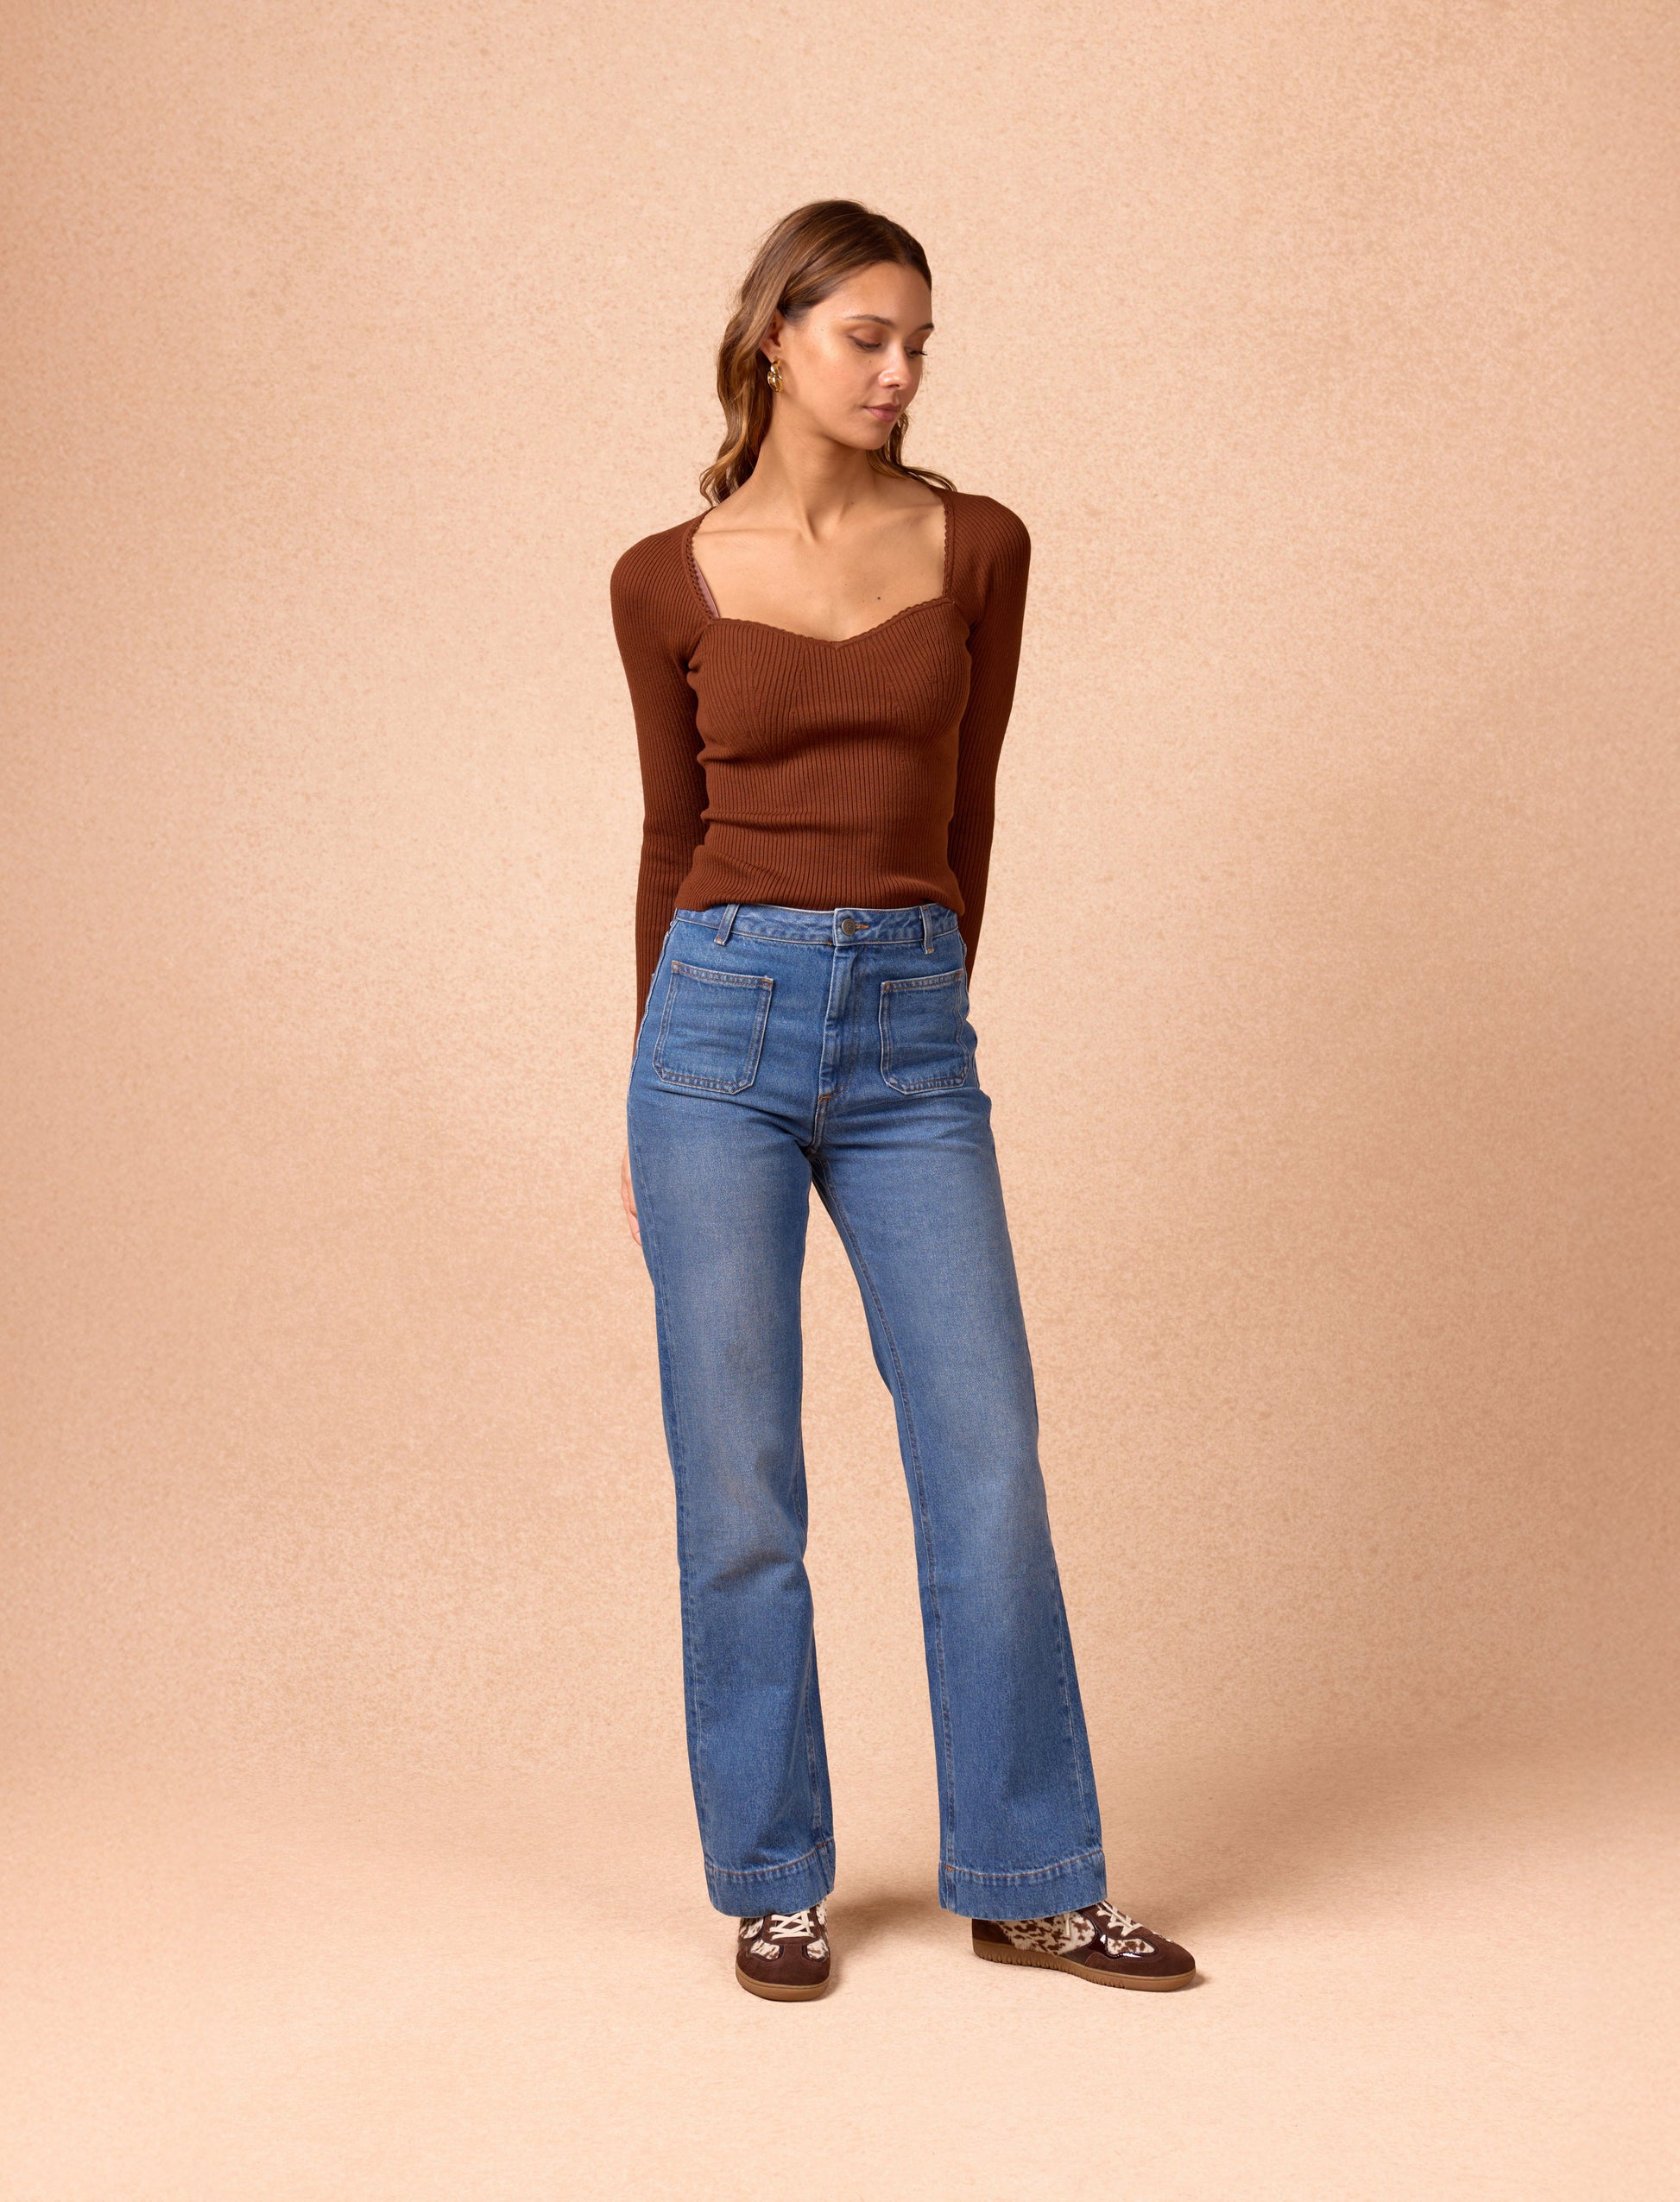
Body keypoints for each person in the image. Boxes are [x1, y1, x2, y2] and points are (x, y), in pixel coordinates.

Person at [611, 199, 1197, 2002]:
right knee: (739, 1481)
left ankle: (1030, 1880)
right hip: (711, 1032)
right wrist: (642, 1086)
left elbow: (970, 807)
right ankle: (772, 1878)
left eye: (918, 343)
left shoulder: (978, 544)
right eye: (865, 336)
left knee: (985, 1453)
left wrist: (926, 996)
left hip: (908, 1038)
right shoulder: (662, 576)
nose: (898, 372)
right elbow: (668, 836)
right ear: (773, 339)